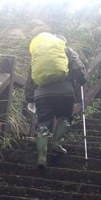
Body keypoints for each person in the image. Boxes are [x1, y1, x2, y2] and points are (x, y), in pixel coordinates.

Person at [25, 32, 87, 168]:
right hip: (65, 92)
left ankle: (41, 158)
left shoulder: (39, 54)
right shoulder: (66, 50)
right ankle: (57, 144)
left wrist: (30, 97)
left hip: (42, 94)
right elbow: (78, 67)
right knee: (65, 117)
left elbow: (30, 78)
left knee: (43, 123)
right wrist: (82, 79)